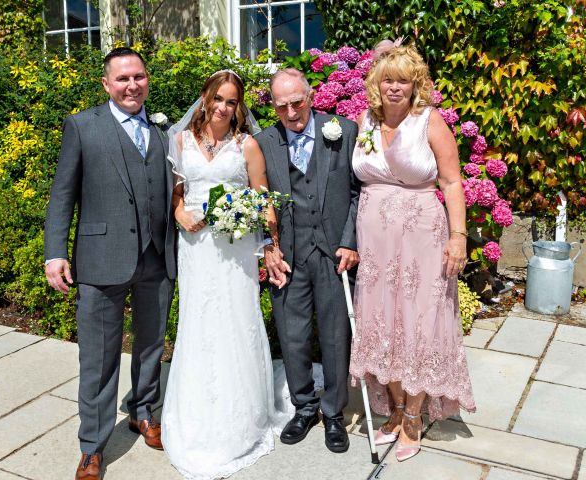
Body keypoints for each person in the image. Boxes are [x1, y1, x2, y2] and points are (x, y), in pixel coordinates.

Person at [44, 47, 176, 480]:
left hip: (156, 258)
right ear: (106, 84)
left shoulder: (162, 131)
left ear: (147, 79)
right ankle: (92, 446)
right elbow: (63, 193)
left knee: (152, 346)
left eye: (138, 76)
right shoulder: (82, 126)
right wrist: (55, 252)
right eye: (122, 79)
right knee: (99, 359)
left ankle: (143, 411)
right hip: (101, 260)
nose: (132, 85)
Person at [349, 42, 476, 462]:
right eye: (388, 79)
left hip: (422, 236)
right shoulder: (364, 120)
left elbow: (453, 182)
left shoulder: (430, 122)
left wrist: (458, 236)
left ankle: (416, 416)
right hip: (374, 244)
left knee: (420, 323)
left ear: (415, 84)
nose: (395, 87)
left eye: (404, 80)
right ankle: (396, 407)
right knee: (384, 321)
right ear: (376, 83)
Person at [160, 70, 290, 479]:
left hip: (234, 252)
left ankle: (242, 417)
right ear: (204, 97)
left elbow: (262, 195)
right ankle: (196, 411)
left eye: (231, 101)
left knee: (236, 324)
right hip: (196, 250)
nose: (222, 107)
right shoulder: (179, 142)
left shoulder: (246, 145)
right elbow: (177, 195)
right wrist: (181, 214)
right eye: (217, 98)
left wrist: (270, 245)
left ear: (239, 107)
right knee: (199, 325)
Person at [255, 68, 360, 453]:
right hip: (289, 255)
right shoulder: (263, 142)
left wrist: (350, 242)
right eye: (282, 106)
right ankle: (304, 407)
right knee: (292, 334)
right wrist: (269, 245)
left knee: (335, 335)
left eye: (297, 102)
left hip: (333, 253)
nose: (291, 112)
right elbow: (257, 199)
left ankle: (333, 412)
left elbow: (356, 193)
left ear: (311, 96)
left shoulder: (343, 131)